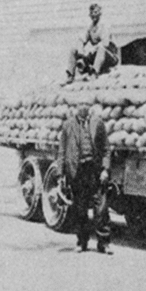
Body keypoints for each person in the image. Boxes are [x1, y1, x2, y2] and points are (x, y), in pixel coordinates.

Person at [58, 103, 112, 254]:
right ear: (75, 107)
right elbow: (62, 150)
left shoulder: (98, 123)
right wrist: (60, 175)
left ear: (90, 106)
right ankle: (82, 242)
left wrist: (105, 170)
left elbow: (106, 149)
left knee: (101, 208)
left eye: (86, 104)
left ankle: (104, 243)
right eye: (80, 104)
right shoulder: (68, 125)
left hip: (95, 171)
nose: (83, 107)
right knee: (80, 209)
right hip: (78, 171)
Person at [66, 4, 119, 83]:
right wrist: (81, 50)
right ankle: (70, 75)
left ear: (100, 13)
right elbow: (81, 39)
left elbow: (105, 44)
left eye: (96, 12)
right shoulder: (90, 27)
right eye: (92, 13)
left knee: (101, 49)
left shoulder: (104, 26)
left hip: (110, 56)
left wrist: (92, 49)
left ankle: (94, 74)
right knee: (73, 50)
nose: (94, 15)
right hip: (97, 56)